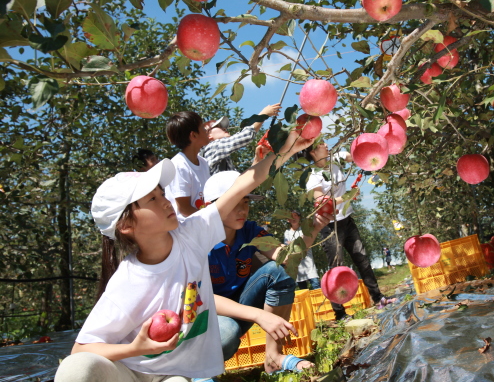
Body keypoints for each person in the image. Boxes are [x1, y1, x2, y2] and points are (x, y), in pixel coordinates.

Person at [53, 130, 313, 382]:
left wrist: (286, 149)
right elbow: (81, 349)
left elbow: (244, 183)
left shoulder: (191, 236)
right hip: (129, 373)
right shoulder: (127, 281)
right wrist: (137, 347)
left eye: (162, 194)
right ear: (126, 226)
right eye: (152, 200)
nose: (166, 202)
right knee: (77, 370)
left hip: (173, 375)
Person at [203, 171, 332, 373]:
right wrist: (258, 315)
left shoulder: (249, 230)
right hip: (208, 317)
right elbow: (201, 298)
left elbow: (287, 256)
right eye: (235, 201)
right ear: (211, 206)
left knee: (278, 270)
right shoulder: (200, 241)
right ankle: (201, 373)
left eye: (246, 202)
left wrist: (314, 227)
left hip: (241, 305)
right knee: (226, 334)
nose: (243, 209)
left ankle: (274, 357)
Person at [303, 142, 397, 320]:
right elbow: (320, 201)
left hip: (347, 220)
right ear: (313, 152)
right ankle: (339, 313)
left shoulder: (335, 160)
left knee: (362, 259)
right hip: (330, 227)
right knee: (336, 268)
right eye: (321, 144)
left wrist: (372, 159)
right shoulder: (314, 176)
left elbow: (354, 157)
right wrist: (346, 197)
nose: (326, 144)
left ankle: (378, 298)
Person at [201, 103, 281, 174]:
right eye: (219, 127)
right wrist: (263, 115)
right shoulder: (212, 147)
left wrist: (257, 159)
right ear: (208, 136)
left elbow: (240, 184)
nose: (224, 129)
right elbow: (245, 135)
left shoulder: (223, 159)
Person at [165, 111, 211, 221]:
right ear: (193, 135)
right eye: (203, 128)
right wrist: (213, 218)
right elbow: (184, 209)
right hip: (185, 231)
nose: (207, 131)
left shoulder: (203, 163)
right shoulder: (179, 165)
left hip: (201, 227)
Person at [284, 211, 321, 290]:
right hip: (298, 266)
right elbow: (288, 247)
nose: (294, 218)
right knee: (303, 290)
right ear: (288, 220)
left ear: (299, 217)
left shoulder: (304, 229)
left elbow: (307, 243)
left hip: (309, 262)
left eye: (296, 215)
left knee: (316, 285)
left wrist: (294, 243)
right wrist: (301, 242)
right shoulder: (287, 233)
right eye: (291, 216)